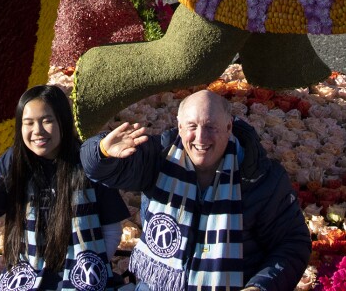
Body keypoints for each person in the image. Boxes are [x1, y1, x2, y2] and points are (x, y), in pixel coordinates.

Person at [80, 89, 312, 291]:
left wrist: (259, 287)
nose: (201, 138)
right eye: (192, 126)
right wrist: (102, 152)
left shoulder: (263, 177)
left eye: (211, 127)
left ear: (229, 126)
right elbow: (98, 169)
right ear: (179, 127)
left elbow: (292, 243)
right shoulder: (157, 158)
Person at [0, 85, 129, 291]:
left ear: (63, 121)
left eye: (47, 121)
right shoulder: (14, 161)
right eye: (29, 123)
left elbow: (111, 230)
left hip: (84, 278)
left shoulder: (87, 161)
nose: (38, 131)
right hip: (27, 277)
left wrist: (89, 271)